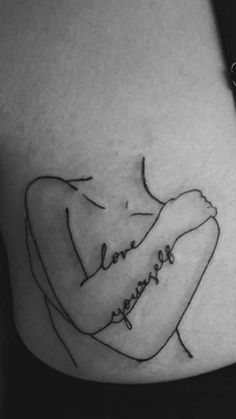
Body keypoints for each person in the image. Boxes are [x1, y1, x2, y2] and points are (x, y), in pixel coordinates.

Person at [1, 0, 236, 417]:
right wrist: (164, 231)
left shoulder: (198, 222)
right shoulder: (50, 196)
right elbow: (87, 315)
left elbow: (143, 342)